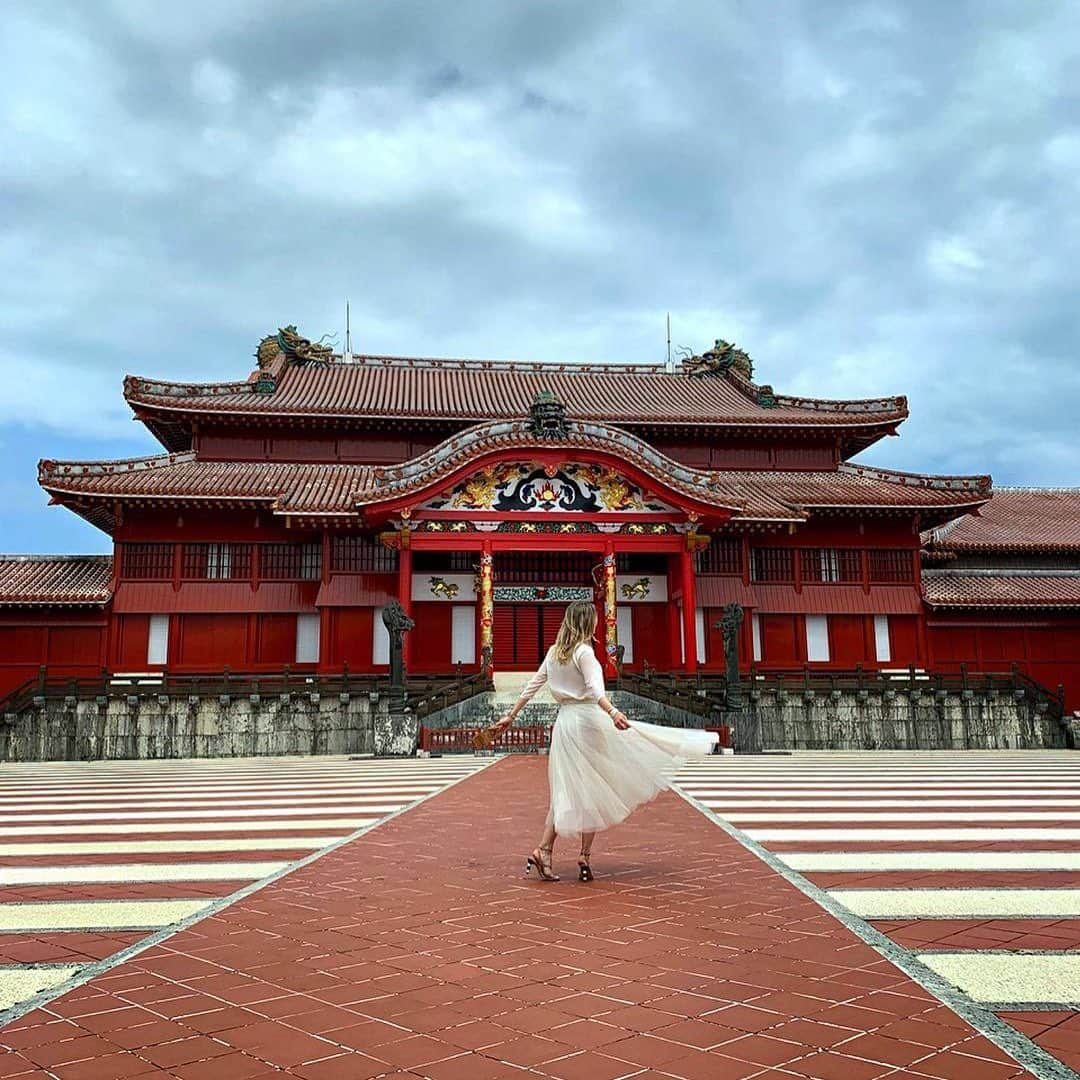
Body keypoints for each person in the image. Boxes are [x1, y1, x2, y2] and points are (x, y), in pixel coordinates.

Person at [490, 600, 719, 882]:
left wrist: (509, 717)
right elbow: (595, 690)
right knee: (593, 786)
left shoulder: (553, 653)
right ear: (589, 623)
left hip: (564, 724)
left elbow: (531, 687)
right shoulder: (584, 653)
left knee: (567, 787)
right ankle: (583, 856)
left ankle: (544, 850)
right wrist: (613, 712)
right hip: (587, 721)